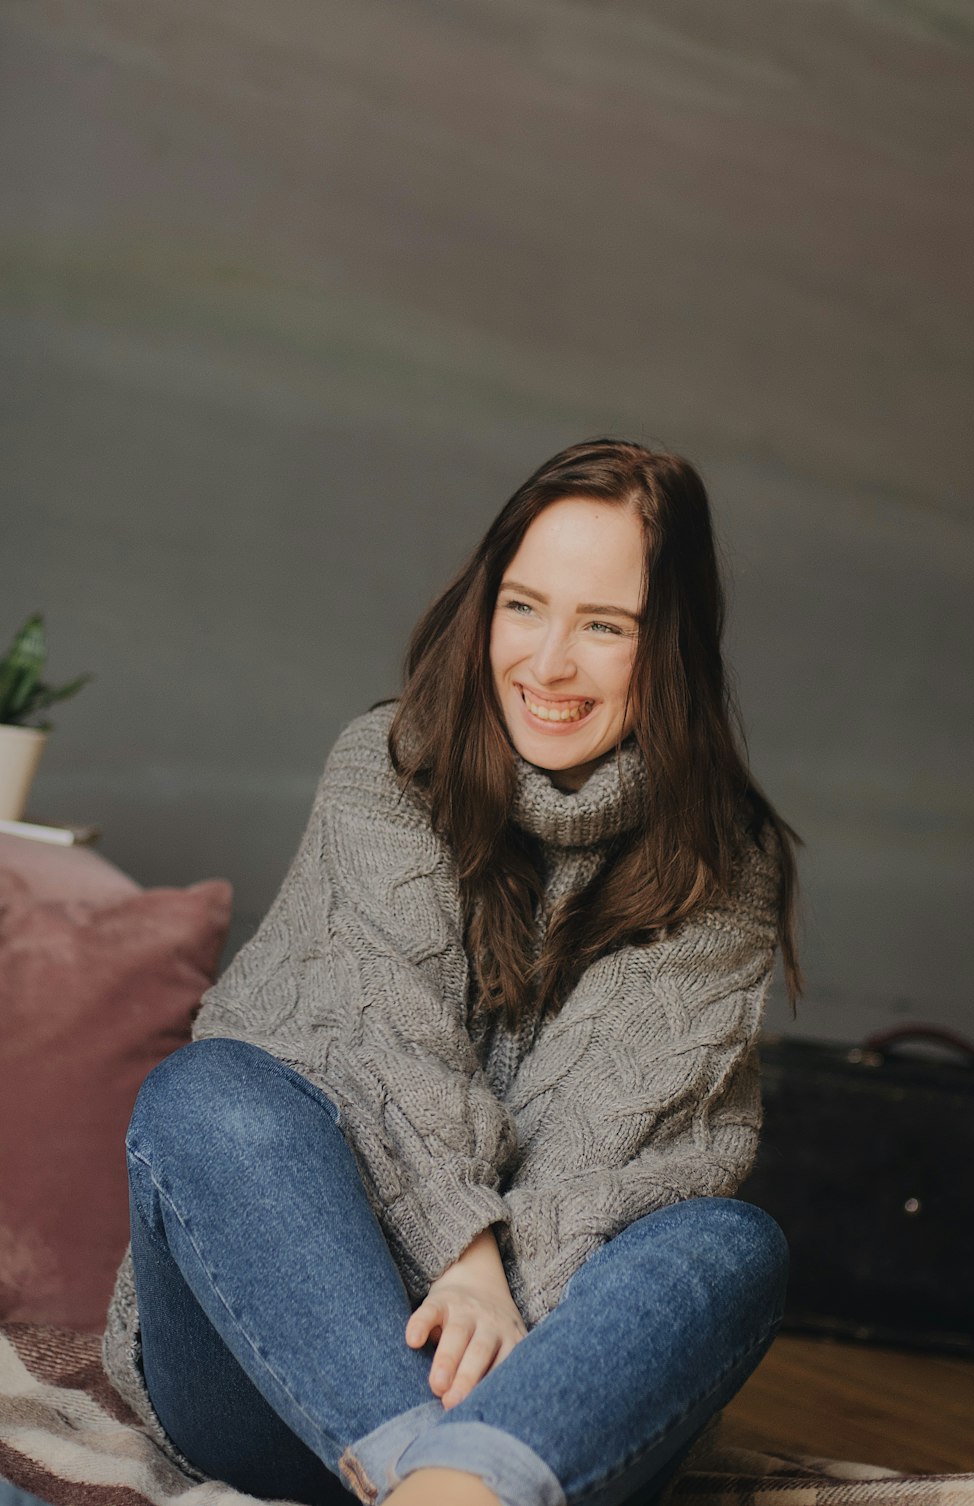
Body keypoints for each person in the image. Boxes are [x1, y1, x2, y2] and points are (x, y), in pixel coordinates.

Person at [103, 438, 803, 1506]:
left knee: (728, 1242)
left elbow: (614, 1147)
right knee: (209, 1096)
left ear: (668, 651)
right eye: (523, 607)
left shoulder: (726, 856)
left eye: (604, 627)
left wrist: (503, 1309)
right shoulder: (387, 766)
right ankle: (443, 1479)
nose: (547, 663)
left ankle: (447, 1486)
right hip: (271, 1359)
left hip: (535, 1382)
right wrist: (464, 1254)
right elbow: (386, 1044)